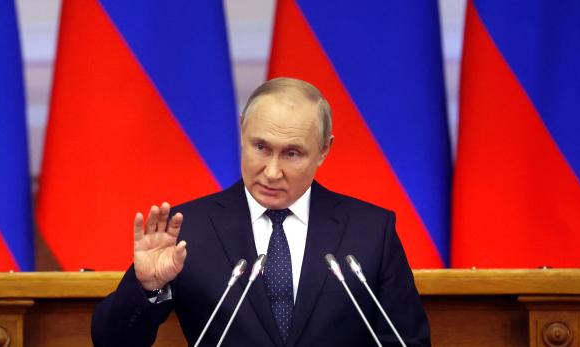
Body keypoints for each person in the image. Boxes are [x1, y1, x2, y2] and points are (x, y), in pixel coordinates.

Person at [92, 77, 430, 346]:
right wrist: (147, 287)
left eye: (292, 153)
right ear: (242, 131)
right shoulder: (190, 230)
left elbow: (407, 341)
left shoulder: (370, 231)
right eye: (261, 147)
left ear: (324, 149)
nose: (271, 171)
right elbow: (113, 342)